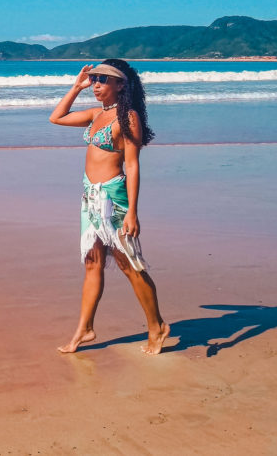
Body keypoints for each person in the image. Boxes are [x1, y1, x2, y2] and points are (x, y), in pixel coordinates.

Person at [49, 59, 169, 354]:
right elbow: (56, 117)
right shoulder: (95, 114)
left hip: (113, 198)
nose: (97, 84)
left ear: (121, 84)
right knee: (92, 263)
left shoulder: (128, 118)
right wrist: (76, 87)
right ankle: (85, 329)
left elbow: (132, 164)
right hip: (89, 198)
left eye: (104, 79)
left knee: (130, 266)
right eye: (95, 79)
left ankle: (157, 327)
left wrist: (132, 212)